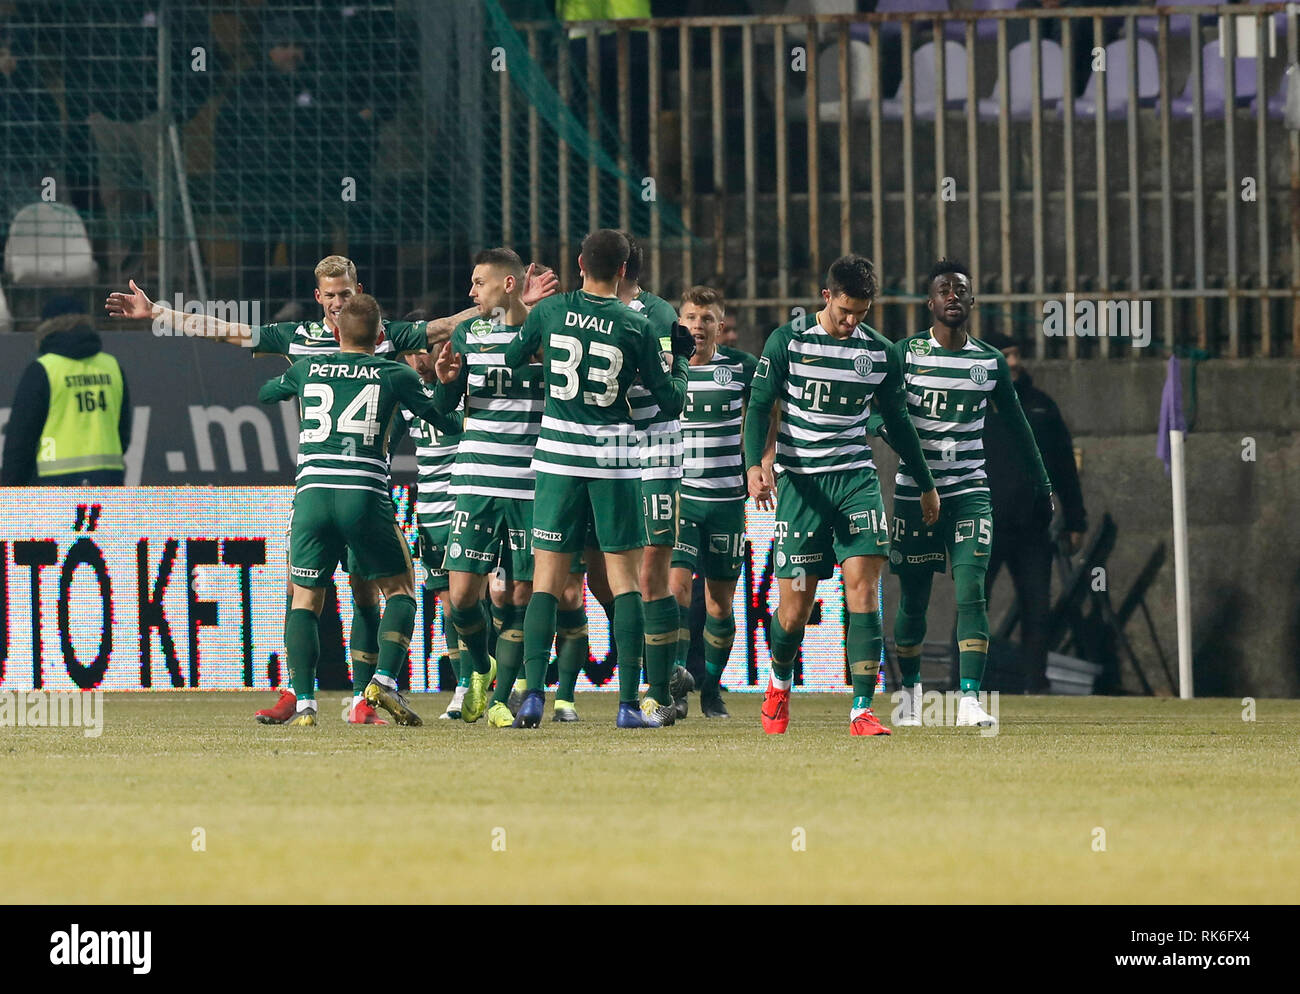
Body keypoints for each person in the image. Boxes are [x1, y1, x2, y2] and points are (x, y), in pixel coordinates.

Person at [497, 228, 692, 728]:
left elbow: (513, 358)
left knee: (547, 579)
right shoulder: (636, 324)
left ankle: (535, 695)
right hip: (615, 459)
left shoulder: (550, 311)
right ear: (626, 270)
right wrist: (683, 361)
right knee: (625, 581)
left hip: (559, 457)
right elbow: (671, 400)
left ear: (580, 261)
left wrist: (529, 314)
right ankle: (628, 704)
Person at [744, 254, 939, 737]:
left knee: (862, 590)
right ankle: (778, 683)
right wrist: (754, 464)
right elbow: (761, 405)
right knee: (794, 606)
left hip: (856, 480)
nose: (852, 321)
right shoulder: (787, 340)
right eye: (845, 311)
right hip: (801, 484)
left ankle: (861, 710)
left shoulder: (879, 353)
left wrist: (927, 482)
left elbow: (899, 423)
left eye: (862, 313)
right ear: (825, 297)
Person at [255, 293, 456, 726]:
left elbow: (267, 392)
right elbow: (442, 419)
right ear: (382, 335)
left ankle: (305, 703)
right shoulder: (395, 373)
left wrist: (299, 378)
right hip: (363, 493)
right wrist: (448, 384)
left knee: (305, 599)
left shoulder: (308, 368)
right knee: (400, 592)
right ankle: (380, 682)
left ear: (335, 332)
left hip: (310, 496)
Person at [883, 260, 1054, 729]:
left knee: (973, 591)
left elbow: (1019, 428)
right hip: (915, 495)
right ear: (930, 302)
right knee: (913, 599)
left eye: (961, 288)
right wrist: (898, 439)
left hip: (970, 491)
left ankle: (970, 698)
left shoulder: (988, 361)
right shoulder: (904, 354)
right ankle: (913, 696)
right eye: (944, 289)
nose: (953, 295)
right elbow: (880, 415)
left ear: (972, 301)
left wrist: (1043, 484)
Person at [430, 248, 546, 727]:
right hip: (476, 481)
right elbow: (445, 410)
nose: (471, 291)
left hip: (530, 484)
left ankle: (500, 699)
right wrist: (444, 383)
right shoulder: (468, 334)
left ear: (509, 285)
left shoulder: (547, 333)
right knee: (461, 597)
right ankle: (482, 668)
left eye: (479, 282)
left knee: (520, 596)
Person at [980, 329, 1088, 693]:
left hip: (1032, 528)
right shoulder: (972, 405)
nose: (1013, 363)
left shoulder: (1041, 406)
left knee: (1037, 610)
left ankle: (1034, 687)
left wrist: (1075, 519)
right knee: (973, 607)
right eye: (1005, 356)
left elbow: (1064, 467)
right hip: (983, 527)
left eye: (1015, 355)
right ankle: (964, 688)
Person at [668, 286, 757, 718]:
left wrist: (764, 458)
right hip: (680, 500)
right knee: (678, 592)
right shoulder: (666, 367)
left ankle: (712, 689)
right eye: (689, 318)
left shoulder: (741, 368)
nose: (697, 327)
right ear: (678, 324)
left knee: (720, 603)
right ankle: (678, 688)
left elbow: (769, 405)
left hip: (726, 502)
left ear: (720, 326)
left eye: (706, 319)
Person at [2, 300, 131, 486]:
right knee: (92, 517)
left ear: (45, 329)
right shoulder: (112, 367)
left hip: (55, 486)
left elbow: (20, 442)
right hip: (107, 481)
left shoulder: (43, 370)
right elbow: (122, 434)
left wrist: (9, 493)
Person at [400, 347, 465, 719]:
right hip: (431, 511)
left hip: (468, 503)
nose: (422, 358)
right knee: (449, 606)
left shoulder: (463, 385)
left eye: (428, 349)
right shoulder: (406, 394)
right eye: (414, 352)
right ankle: (462, 686)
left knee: (489, 598)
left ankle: (507, 683)